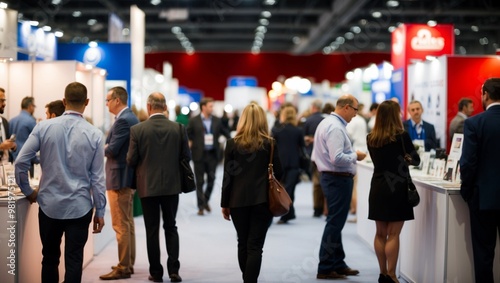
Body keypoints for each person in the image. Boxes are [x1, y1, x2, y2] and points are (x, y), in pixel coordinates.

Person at [14, 82, 106, 283]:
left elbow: (21, 161)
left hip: (49, 206)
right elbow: (98, 178)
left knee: (49, 259)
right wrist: (100, 210)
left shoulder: (43, 127)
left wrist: (28, 191)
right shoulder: (95, 134)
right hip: (80, 207)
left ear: (64, 102)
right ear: (87, 102)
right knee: (74, 261)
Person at [127, 92, 187, 283]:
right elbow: (186, 157)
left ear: (149, 106)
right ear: (165, 106)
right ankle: (174, 271)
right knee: (171, 226)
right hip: (172, 185)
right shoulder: (178, 128)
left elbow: (131, 160)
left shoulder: (138, 129)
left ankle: (156, 272)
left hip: (147, 186)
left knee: (151, 230)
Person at [221, 102, 283, 283]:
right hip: (263, 201)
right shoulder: (270, 144)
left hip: (237, 201)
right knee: (255, 246)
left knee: (242, 242)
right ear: (263, 121)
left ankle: (247, 279)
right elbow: (279, 172)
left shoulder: (232, 144)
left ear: (242, 120)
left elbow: (227, 178)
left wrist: (225, 204)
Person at [312, 94, 366, 279]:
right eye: (355, 109)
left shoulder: (328, 123)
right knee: (335, 223)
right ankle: (325, 266)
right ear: (346, 108)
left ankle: (337, 262)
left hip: (333, 178)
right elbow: (337, 158)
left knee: (336, 222)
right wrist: (355, 156)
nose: (356, 114)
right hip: (337, 179)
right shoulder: (335, 127)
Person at [366, 100, 420, 283]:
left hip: (378, 187)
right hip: (397, 188)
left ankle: (382, 274)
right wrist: (407, 159)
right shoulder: (402, 136)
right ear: (394, 115)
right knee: (394, 234)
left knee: (380, 233)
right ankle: (392, 274)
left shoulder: (371, 138)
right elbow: (416, 160)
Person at [460, 78, 500, 283]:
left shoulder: (474, 123)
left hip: (483, 198)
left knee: (483, 253)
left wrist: (465, 191)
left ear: (485, 94)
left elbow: (468, 163)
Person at [99, 87, 139, 280]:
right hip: (125, 177)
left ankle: (124, 266)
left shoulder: (123, 120)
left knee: (120, 224)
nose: (106, 104)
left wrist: (100, 147)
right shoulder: (129, 117)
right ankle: (127, 263)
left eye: (107, 100)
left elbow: (113, 149)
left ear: (116, 100)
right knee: (127, 223)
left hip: (119, 178)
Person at [187, 97, 230, 215]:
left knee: (211, 180)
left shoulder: (217, 120)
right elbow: (188, 134)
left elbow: (225, 132)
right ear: (203, 107)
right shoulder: (194, 121)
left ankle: (205, 200)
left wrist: (233, 142)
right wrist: (189, 143)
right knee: (199, 181)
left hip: (212, 155)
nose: (212, 108)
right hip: (199, 155)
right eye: (210, 106)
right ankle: (201, 206)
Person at [271, 105, 305, 224]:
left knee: (278, 190)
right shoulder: (298, 130)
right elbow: (302, 147)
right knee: (290, 190)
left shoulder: (276, 130)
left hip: (279, 164)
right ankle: (288, 213)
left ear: (283, 115)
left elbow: (272, 147)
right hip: (294, 164)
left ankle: (286, 214)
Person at [302, 99, 325, 217]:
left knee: (316, 182)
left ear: (313, 107)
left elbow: (303, 137)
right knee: (324, 182)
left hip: (313, 154)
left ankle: (317, 208)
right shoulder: (324, 120)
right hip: (325, 155)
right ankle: (325, 208)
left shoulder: (308, 120)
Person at [346, 109, 368, 220]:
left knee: (355, 185)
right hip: (363, 150)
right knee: (359, 184)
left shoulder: (352, 121)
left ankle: (355, 210)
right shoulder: (362, 120)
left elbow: (348, 136)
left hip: (356, 152)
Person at [10, 96, 36, 161]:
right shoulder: (31, 121)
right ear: (30, 106)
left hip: (12, 157)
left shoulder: (11, 121)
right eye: (34, 106)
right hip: (26, 159)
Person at [0, 88, 17, 164]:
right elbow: (2, 145)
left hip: (6, 168)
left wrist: (12, 146)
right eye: (2, 100)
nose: (4, 104)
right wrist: (1, 146)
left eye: (4, 101)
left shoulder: (5, 122)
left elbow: (7, 143)